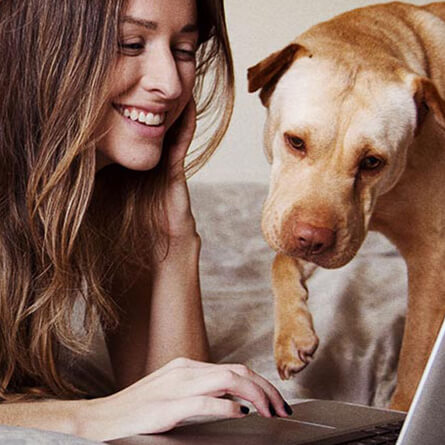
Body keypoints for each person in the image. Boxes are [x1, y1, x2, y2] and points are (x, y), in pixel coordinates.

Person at [0, 0, 292, 441]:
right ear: (40, 48)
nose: (171, 85)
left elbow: (173, 402)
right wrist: (92, 417)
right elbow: (127, 407)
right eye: (130, 44)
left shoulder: (107, 191)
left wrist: (176, 240)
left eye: (184, 49)